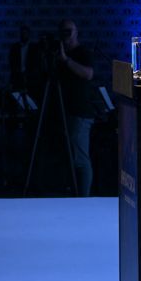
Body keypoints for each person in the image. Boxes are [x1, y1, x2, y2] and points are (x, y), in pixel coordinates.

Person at [52, 20, 97, 196]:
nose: (66, 35)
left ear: (76, 32)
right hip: (64, 113)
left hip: (80, 113)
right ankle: (72, 195)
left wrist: (66, 60)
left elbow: (88, 74)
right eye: (62, 31)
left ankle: (84, 200)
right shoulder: (60, 56)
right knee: (68, 158)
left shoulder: (83, 52)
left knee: (80, 159)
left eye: (69, 31)